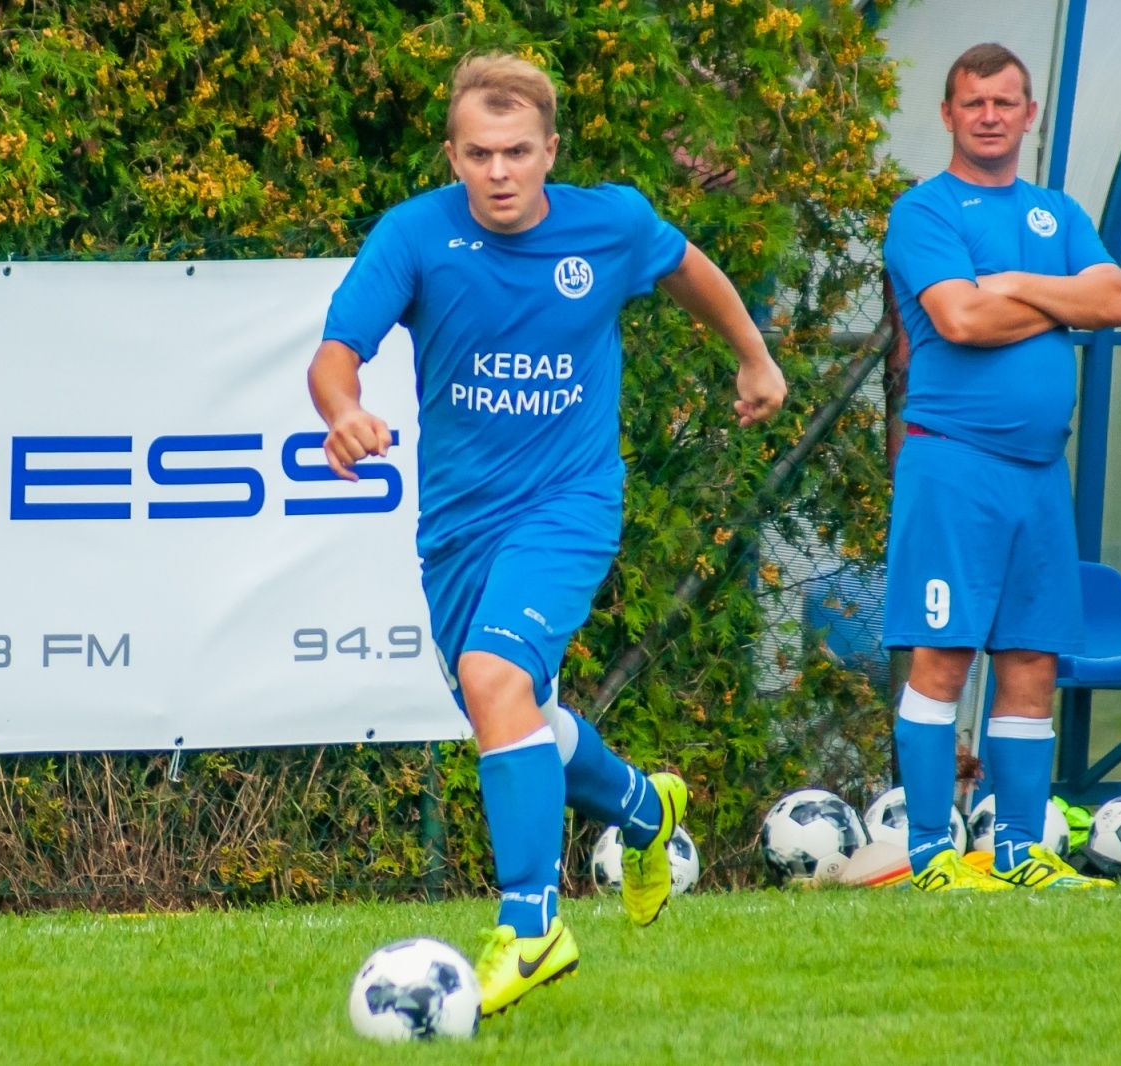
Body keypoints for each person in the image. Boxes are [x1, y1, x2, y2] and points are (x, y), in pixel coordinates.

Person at [309, 53, 786, 1012]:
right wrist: (341, 413)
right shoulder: (412, 236)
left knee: (496, 682)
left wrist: (754, 356)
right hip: (456, 529)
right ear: (453, 155)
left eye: (517, 152)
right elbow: (335, 354)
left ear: (549, 151)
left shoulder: (607, 222)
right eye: (479, 153)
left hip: (569, 506)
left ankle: (530, 927)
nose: (498, 172)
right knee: (512, 716)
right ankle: (649, 811)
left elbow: (690, 268)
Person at [882, 42, 1121, 893]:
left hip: (1036, 476)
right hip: (955, 469)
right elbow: (958, 320)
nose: (990, 114)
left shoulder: (1057, 213)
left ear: (1030, 115)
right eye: (974, 101)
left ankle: (1022, 854)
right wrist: (1060, 304)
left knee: (1031, 664)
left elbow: (1116, 301)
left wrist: (1018, 283)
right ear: (948, 115)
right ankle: (930, 854)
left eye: (1006, 101)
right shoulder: (924, 212)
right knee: (942, 661)